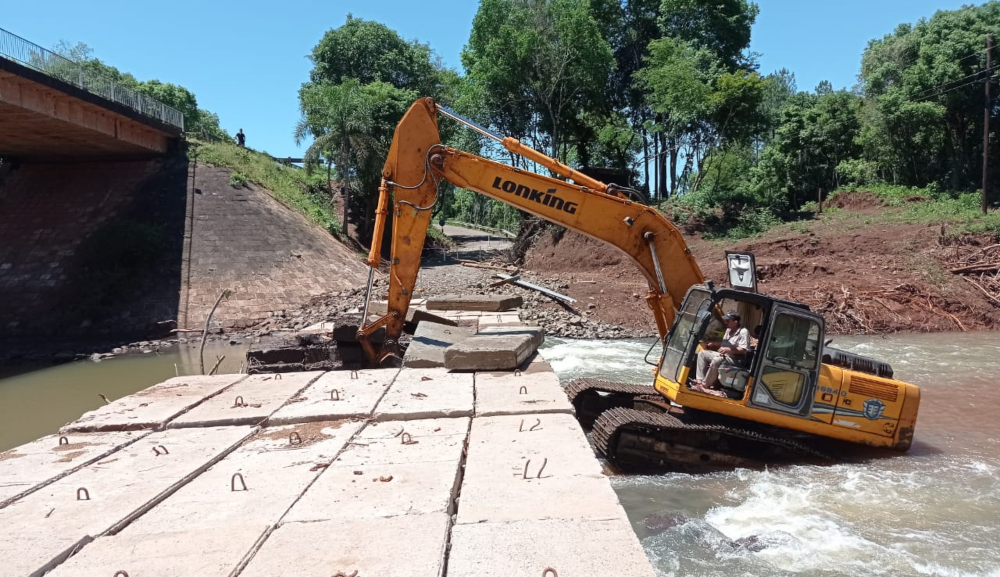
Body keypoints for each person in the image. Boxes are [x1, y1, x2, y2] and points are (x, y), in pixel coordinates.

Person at [695, 312, 750, 391]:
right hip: (724, 355)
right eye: (725, 320)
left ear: (735, 322)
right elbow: (725, 343)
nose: (725, 322)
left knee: (716, 360)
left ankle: (705, 385)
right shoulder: (728, 330)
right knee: (702, 354)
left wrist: (727, 349)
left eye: (728, 321)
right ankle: (699, 380)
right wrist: (714, 343)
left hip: (735, 359)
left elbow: (743, 350)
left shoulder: (743, 332)